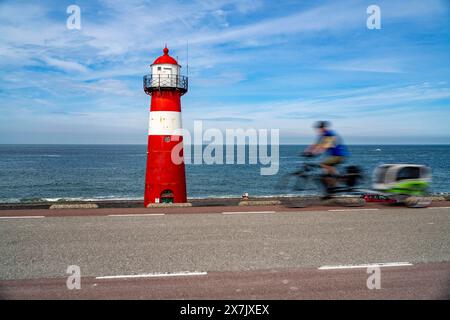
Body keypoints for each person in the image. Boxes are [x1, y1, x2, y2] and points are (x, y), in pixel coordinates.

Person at [304, 121, 348, 188]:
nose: (319, 130)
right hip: (334, 155)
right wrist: (306, 151)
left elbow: (325, 146)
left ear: (324, 128)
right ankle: (331, 188)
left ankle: (338, 178)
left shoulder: (330, 134)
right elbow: (315, 144)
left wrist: (314, 153)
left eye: (320, 128)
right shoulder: (322, 135)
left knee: (324, 164)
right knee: (326, 171)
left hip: (339, 155)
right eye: (318, 128)